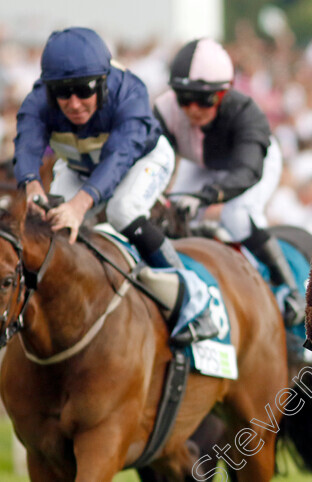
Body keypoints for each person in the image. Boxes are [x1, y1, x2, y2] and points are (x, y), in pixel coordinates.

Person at [13, 27, 218, 345]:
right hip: (81, 166)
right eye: (62, 93)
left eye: (84, 89)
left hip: (141, 160)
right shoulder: (37, 101)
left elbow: (118, 160)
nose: (74, 102)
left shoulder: (129, 92)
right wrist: (31, 187)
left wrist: (79, 206)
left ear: (103, 82)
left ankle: (196, 301)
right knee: (50, 227)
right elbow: (26, 147)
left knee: (123, 209)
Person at [152, 38, 305, 327]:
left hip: (255, 164)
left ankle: (290, 290)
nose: (193, 109)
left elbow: (247, 171)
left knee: (237, 216)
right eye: (184, 98)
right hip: (202, 163)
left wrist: (205, 196)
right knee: (170, 210)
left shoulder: (246, 113)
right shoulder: (164, 110)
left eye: (204, 99)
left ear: (223, 94)